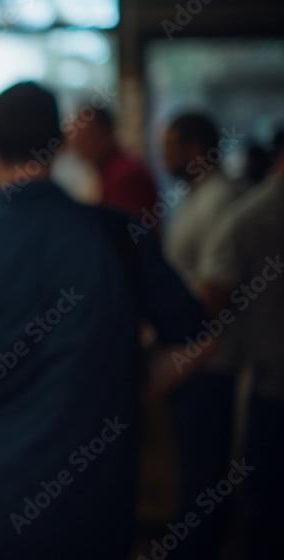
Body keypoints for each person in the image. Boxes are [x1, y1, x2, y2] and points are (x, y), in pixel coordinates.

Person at [0, 82, 213, 559]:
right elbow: (198, 339)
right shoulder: (120, 236)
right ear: (62, 144)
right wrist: (121, 387)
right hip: (92, 512)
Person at [161, 111, 245, 560]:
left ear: (194, 150)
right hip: (191, 357)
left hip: (213, 359)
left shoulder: (220, 200)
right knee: (193, 467)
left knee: (205, 471)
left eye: (170, 147)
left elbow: (215, 287)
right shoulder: (196, 196)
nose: (164, 156)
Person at [197, 138, 284, 560]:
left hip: (268, 384)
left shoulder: (248, 213)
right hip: (265, 379)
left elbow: (213, 293)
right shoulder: (245, 209)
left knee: (264, 510)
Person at [69, 104, 160, 223]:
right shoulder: (103, 171)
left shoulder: (125, 175)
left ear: (103, 133)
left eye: (84, 136)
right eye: (76, 136)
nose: (78, 144)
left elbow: (124, 233)